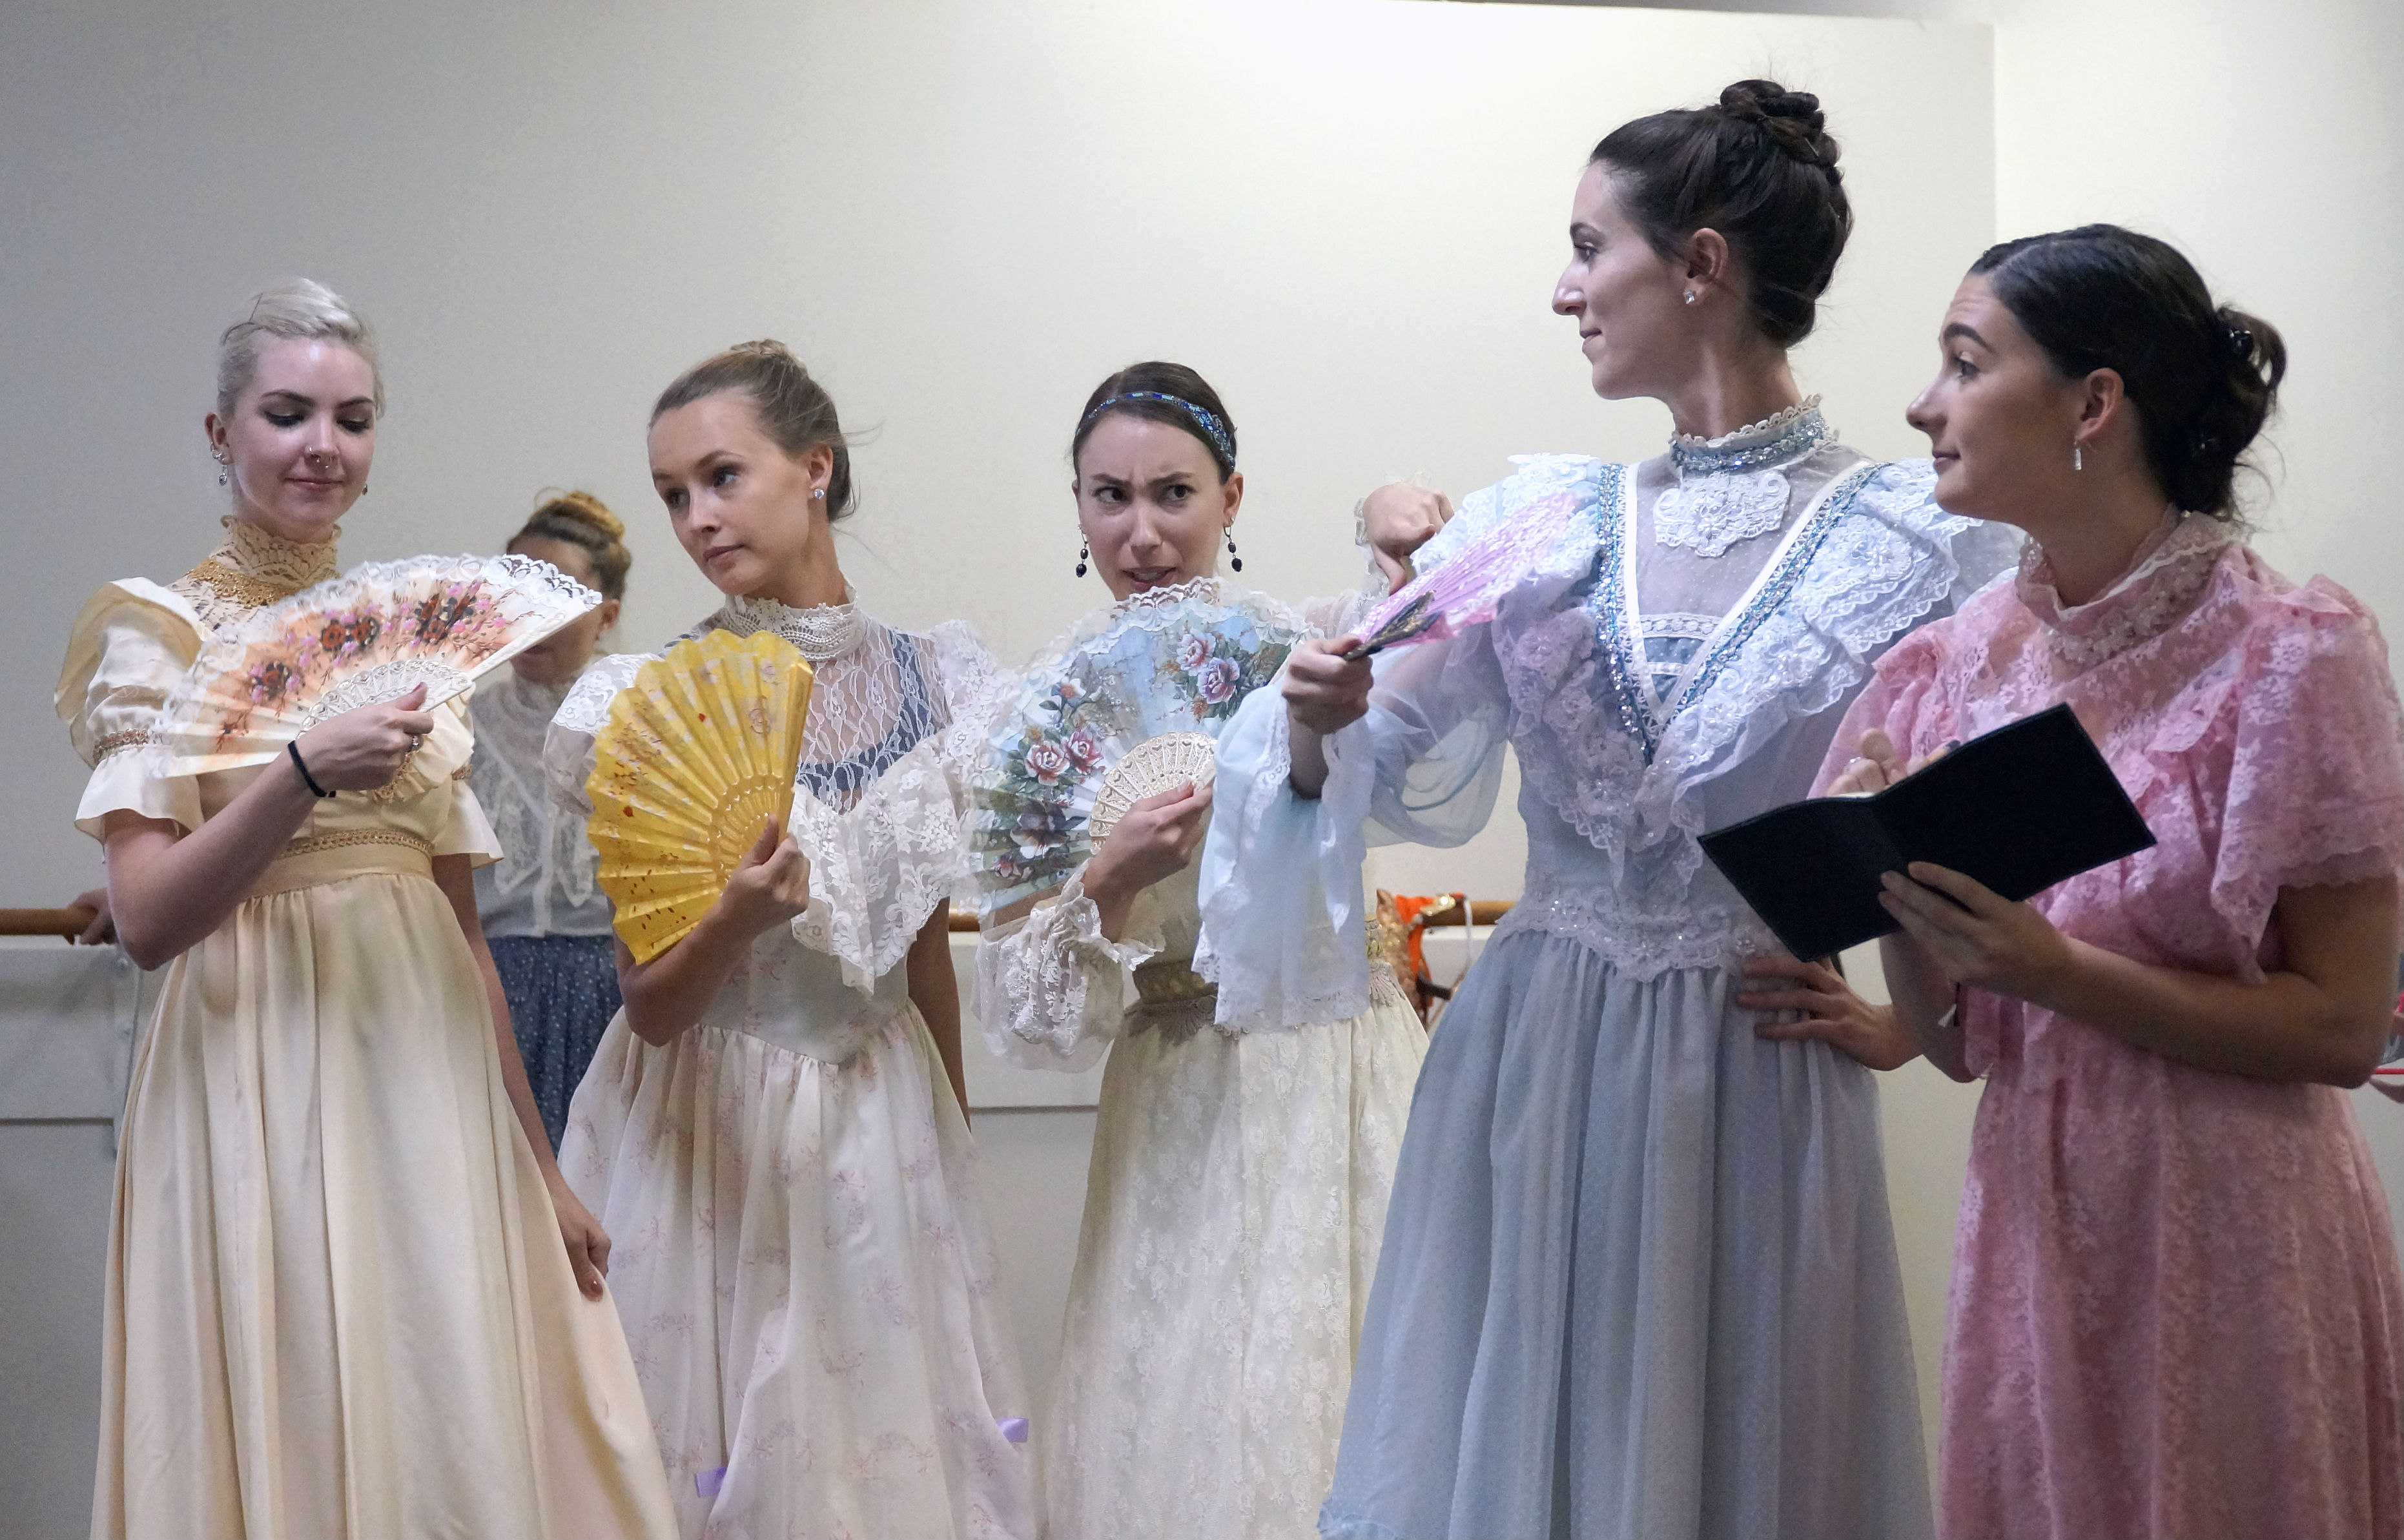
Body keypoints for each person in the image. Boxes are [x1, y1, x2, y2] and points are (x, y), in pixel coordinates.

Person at [1211, 82, 2019, 1539]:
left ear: (1698, 264)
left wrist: (1915, 1022)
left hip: (1754, 1062)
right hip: (1536, 1053)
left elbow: (2019, 824)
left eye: (1591, 247)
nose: (1564, 286)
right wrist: (1317, 720)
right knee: (1517, 1438)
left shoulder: (1924, 543)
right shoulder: (1534, 522)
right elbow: (1371, 766)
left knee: (1742, 1450)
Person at [59, 279, 674, 1539]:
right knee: (290, 1398)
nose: (320, 445)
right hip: (256, 1080)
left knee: (452, 1405)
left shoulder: (418, 646)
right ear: (223, 435)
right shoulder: (157, 637)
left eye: (351, 416)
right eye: (287, 413)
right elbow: (148, 916)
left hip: (430, 1085)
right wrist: (297, 774)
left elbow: (462, 930)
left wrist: (539, 1162)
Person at [1818, 225, 2404, 1540]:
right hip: (2030, 1215)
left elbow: (2342, 1025)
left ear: (2093, 404)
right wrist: (1897, 897)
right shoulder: (1959, 660)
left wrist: (2057, 969)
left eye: (1963, 363)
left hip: (2233, 1225)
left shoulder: (2292, 654)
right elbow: (1960, 1050)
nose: (1922, 404)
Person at [548, 340, 1036, 1539]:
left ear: (813, 466)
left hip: (886, 1121)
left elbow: (924, 962)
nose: (696, 519)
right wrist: (732, 919)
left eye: (721, 477)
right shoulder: (648, 705)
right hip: (709, 1129)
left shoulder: (944, 684)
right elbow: (652, 1008)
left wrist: (955, 1151)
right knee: (722, 1473)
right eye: (673, 495)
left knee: (894, 1470)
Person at [973, 363, 1427, 1540]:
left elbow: (1431, 632)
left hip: (1336, 1056)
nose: (1141, 533)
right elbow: (1029, 1024)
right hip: (1175, 1082)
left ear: (1231, 495)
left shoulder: (1306, 647)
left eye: (1172, 494)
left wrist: (1394, 518)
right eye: (1108, 497)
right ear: (1075, 508)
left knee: (1352, 1392)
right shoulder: (1044, 711)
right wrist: (1109, 877)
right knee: (1176, 1423)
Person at [469, 489, 631, 1149]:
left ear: (607, 615)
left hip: (613, 998)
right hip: (487, 1001)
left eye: (554, 595)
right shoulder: (458, 731)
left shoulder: (643, 730)